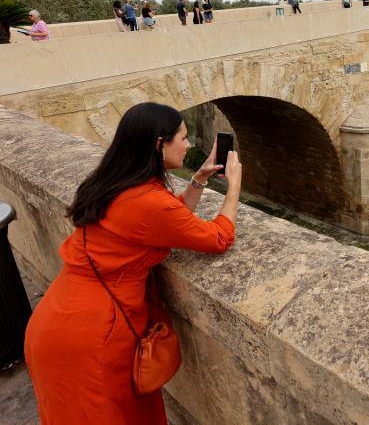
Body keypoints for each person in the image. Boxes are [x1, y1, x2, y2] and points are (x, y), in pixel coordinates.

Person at [24, 102, 242, 424]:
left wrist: (197, 179)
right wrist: (234, 186)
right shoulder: (148, 201)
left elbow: (168, 221)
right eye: (182, 138)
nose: (189, 144)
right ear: (159, 144)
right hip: (93, 336)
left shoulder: (117, 183)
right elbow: (218, 238)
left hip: (58, 319)